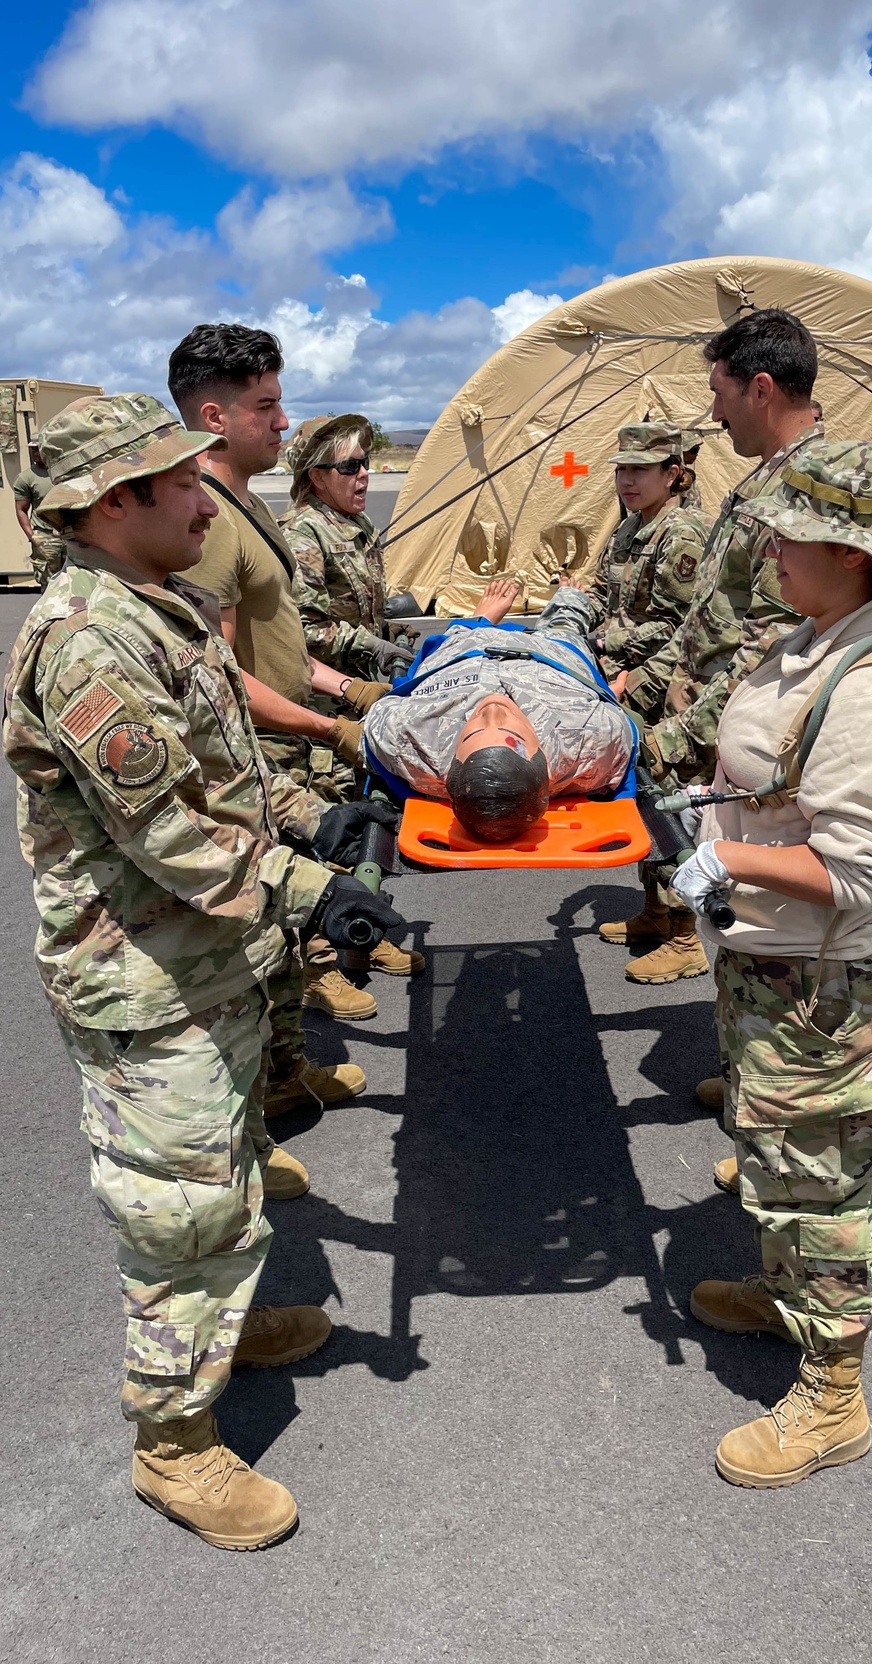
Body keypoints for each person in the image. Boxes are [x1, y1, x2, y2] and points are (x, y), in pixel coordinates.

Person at [2, 392, 402, 1548]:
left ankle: (216, 1336)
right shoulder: (86, 639)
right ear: (114, 502)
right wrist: (308, 886)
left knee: (222, 1170)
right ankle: (172, 1443)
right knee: (174, 1209)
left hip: (204, 959)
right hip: (144, 972)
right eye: (182, 481)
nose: (207, 494)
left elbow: (220, 774)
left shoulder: (160, 607)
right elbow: (168, 834)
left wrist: (308, 823)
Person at [669, 438, 872, 1488]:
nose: (768, 542)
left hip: (820, 983)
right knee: (782, 1154)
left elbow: (862, 874)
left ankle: (833, 1393)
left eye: (788, 527)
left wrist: (723, 854)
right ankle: (787, 1292)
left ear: (847, 547)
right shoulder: (815, 638)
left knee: (822, 1183)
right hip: (775, 964)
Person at [168, 323, 422, 1034]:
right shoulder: (213, 522)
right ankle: (286, 1056)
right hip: (260, 755)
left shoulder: (248, 509)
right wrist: (327, 725)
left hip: (292, 738)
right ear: (214, 417)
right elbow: (213, 681)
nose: (283, 421)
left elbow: (281, 643)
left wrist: (351, 692)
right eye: (266, 406)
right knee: (273, 918)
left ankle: (287, 1069)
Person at [600, 309, 824, 986]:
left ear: (759, 390)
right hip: (706, 708)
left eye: (719, 392)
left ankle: (775, 1072)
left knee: (758, 885)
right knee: (696, 837)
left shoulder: (805, 490)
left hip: (750, 727)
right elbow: (711, 619)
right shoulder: (763, 483)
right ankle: (750, 1058)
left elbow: (775, 644)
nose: (714, 413)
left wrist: (680, 733)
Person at [359, 577, 636, 838]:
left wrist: (476, 628)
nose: (491, 710)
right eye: (509, 731)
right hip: (551, 658)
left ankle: (480, 621)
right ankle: (567, 601)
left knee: (459, 636)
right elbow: (617, 725)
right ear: (542, 758)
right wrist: (591, 697)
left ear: (452, 762)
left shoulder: (408, 738)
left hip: (466, 652)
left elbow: (378, 718)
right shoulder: (588, 737)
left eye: (469, 735)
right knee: (568, 617)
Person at [281, 413, 407, 680]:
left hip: (358, 685)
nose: (363, 474)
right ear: (318, 477)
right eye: (350, 466)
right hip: (325, 701)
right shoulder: (303, 533)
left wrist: (383, 630)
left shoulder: (358, 523)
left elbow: (348, 610)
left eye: (364, 463)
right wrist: (371, 645)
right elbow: (305, 633)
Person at [587, 423, 709, 676]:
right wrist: (568, 620)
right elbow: (601, 592)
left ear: (670, 474)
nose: (627, 481)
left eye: (640, 470)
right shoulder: (629, 526)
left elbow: (674, 628)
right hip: (608, 657)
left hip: (646, 671)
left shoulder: (680, 534)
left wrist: (600, 643)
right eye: (621, 470)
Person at [13, 442, 65, 586]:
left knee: (76, 579)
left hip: (71, 534)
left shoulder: (64, 472)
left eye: (37, 448)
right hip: (45, 536)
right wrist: (32, 536)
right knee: (49, 583)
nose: (34, 452)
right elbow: (21, 509)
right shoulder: (25, 478)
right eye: (32, 449)